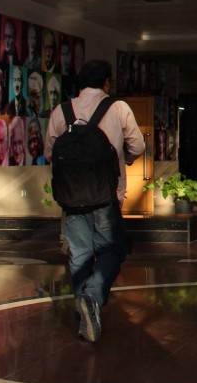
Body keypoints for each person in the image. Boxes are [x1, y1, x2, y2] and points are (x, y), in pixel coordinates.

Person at [44, 59, 145, 343]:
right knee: (113, 248)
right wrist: (124, 158)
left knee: (79, 252)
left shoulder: (61, 111)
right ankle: (92, 297)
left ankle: (83, 312)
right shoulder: (118, 108)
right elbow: (138, 145)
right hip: (106, 194)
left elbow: (50, 153)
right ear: (106, 83)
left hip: (71, 196)